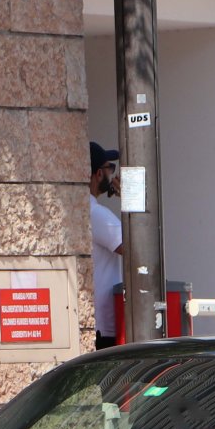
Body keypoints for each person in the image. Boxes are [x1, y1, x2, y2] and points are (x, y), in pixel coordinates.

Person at [89, 141, 124, 348]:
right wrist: (131, 200)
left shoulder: (84, 209)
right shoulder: (97, 214)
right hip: (105, 325)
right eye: (109, 168)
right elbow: (138, 249)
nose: (112, 174)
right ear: (98, 174)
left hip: (97, 322)